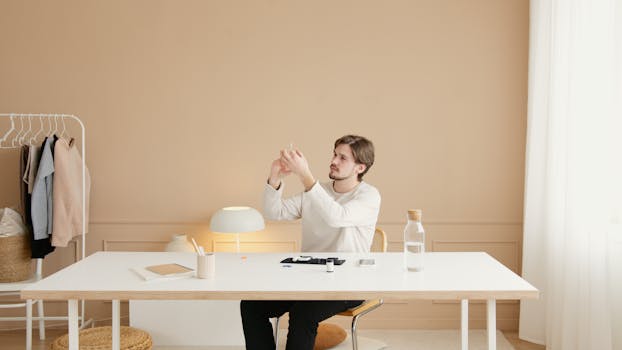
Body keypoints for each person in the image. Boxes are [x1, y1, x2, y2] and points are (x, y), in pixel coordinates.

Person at [240, 135, 381, 350]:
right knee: (251, 305)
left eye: (343, 158)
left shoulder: (369, 196)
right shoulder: (317, 191)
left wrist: (305, 175)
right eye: (335, 154)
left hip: (349, 282)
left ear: (359, 168)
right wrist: (275, 177)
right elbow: (274, 212)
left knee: (303, 313)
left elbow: (337, 216)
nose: (334, 161)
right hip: (307, 279)